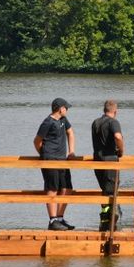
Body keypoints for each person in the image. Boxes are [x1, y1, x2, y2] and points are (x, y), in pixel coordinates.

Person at [34, 98, 76, 231]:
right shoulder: (48, 122)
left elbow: (70, 133)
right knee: (52, 189)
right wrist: (44, 153)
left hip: (62, 160)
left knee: (66, 188)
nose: (67, 109)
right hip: (50, 159)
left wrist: (71, 152)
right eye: (66, 107)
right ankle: (52, 220)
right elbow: (37, 141)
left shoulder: (63, 120)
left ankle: (60, 218)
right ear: (60, 108)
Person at [91, 100, 125, 231]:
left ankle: (105, 221)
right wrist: (121, 151)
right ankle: (112, 217)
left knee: (105, 190)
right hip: (110, 159)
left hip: (97, 160)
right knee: (111, 190)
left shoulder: (95, 122)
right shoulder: (113, 122)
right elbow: (118, 137)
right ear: (115, 111)